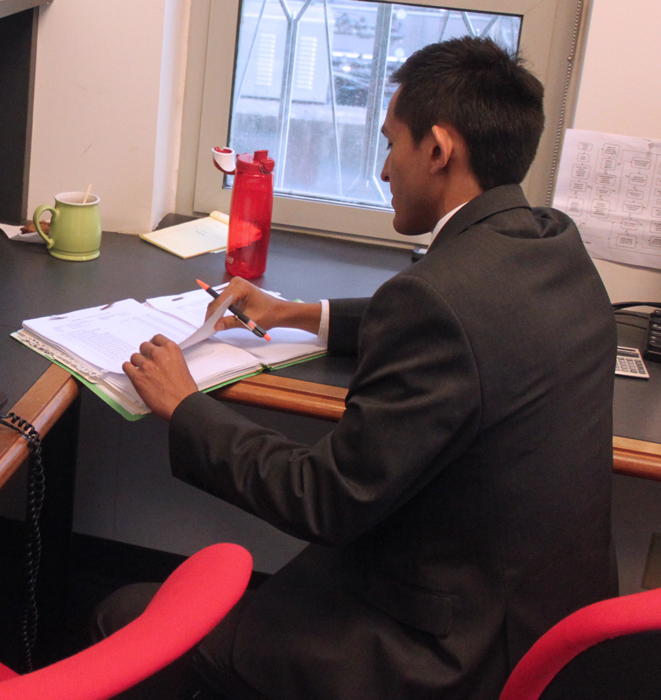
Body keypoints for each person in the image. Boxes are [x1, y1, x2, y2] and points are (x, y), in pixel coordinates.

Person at [99, 36, 618, 700]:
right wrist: (300, 314)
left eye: (391, 143)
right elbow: (471, 320)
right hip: (547, 634)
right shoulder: (553, 245)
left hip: (449, 656)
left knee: (127, 619)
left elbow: (325, 498)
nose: (382, 171)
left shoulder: (434, 300)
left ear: (437, 149)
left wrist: (185, 406)